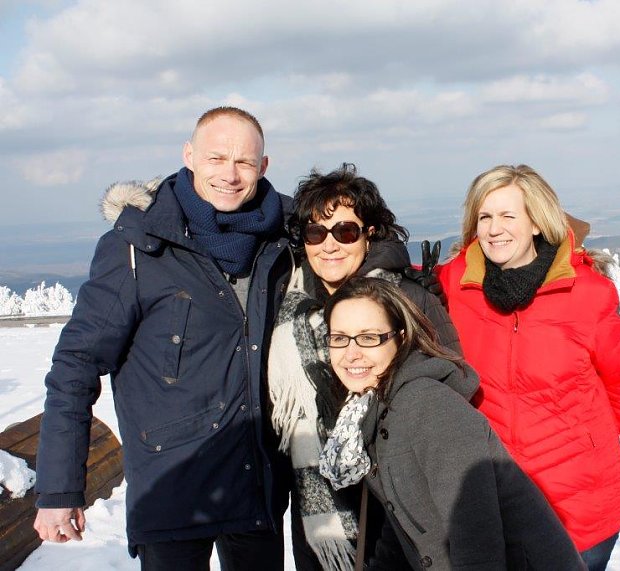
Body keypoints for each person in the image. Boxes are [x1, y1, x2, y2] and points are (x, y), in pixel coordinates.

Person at [33, 107, 294, 570]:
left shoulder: (286, 237)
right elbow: (75, 364)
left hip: (257, 488)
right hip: (170, 488)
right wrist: (58, 488)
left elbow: (360, 250)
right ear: (189, 156)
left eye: (244, 162)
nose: (230, 175)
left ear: (264, 166)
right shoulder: (139, 243)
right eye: (216, 158)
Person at [435, 164, 620, 571]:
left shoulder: (587, 294)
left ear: (537, 222)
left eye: (509, 215)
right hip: (496, 495)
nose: (494, 229)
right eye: (485, 217)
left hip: (580, 502)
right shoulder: (456, 284)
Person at [318, 277, 586, 570]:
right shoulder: (373, 408)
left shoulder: (429, 405)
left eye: (368, 337)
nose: (351, 353)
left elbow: (476, 538)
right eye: (339, 338)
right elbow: (405, 525)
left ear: (402, 337)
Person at [266, 163, 458, 569]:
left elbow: (451, 388)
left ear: (370, 234)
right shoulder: (290, 307)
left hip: (394, 505)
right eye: (317, 232)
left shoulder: (408, 298)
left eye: (345, 231)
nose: (330, 244)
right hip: (321, 519)